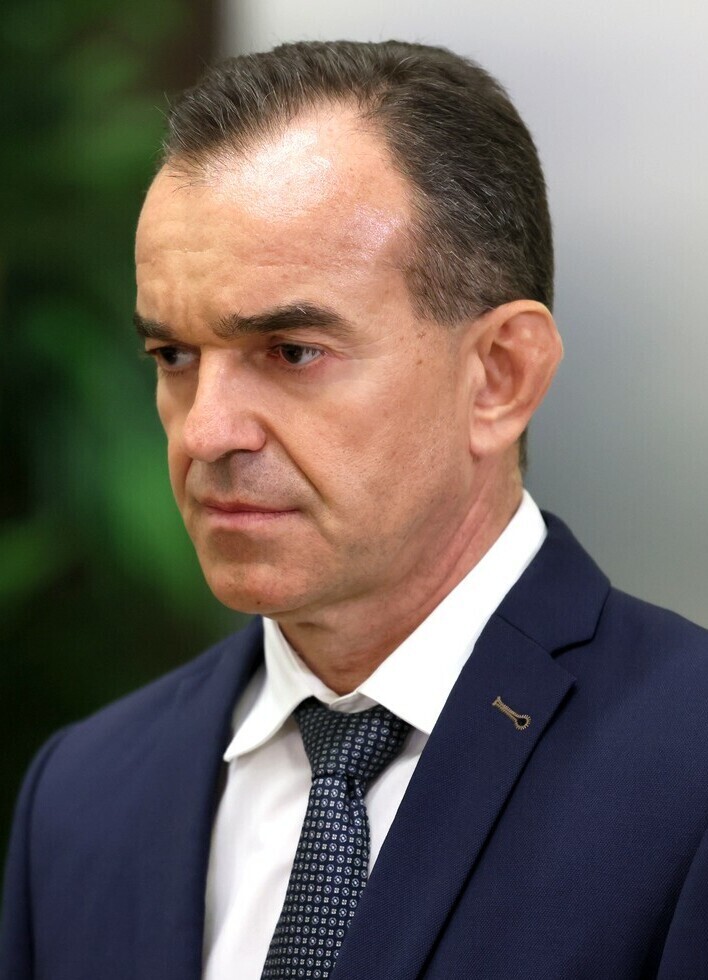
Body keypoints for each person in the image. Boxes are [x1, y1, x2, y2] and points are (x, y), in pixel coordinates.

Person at [2, 39, 708, 980]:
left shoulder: (687, 771)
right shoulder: (82, 798)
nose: (205, 431)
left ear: (500, 375)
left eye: (291, 352)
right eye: (174, 357)